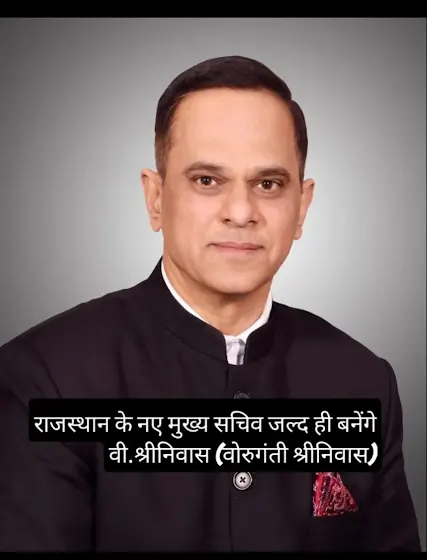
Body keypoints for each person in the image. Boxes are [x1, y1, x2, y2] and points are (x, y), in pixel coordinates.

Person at [0, 55, 421, 552]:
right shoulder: (47, 379)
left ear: (301, 207)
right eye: (207, 180)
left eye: (268, 184)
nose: (241, 212)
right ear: (156, 198)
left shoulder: (362, 382)